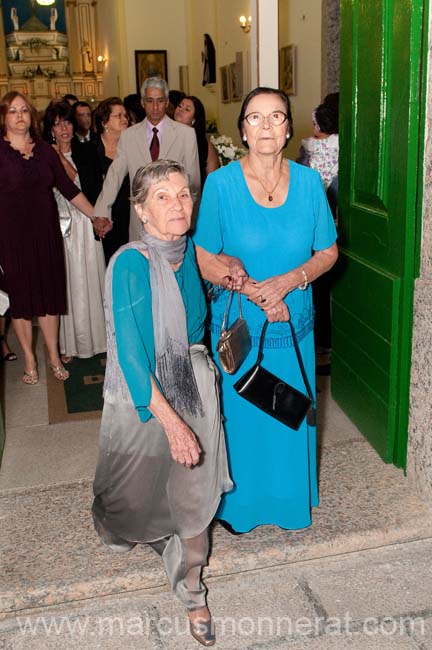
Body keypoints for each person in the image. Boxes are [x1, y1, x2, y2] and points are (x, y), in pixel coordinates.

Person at [92, 160, 232, 647]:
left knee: (193, 501)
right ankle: (131, 525)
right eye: (163, 197)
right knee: (135, 489)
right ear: (141, 211)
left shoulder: (190, 251)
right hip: (145, 393)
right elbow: (131, 358)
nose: (178, 204)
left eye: (183, 194)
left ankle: (193, 593)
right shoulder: (129, 263)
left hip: (193, 384)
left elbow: (205, 305)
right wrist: (172, 425)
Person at [193, 87, 338, 534]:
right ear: (242, 131)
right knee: (245, 421)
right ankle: (241, 508)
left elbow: (328, 251)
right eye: (255, 119)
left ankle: (288, 502)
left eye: (276, 117)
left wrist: (289, 282)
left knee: (288, 414)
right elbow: (203, 257)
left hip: (291, 326)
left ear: (290, 127)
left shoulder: (310, 183)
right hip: (241, 328)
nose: (266, 127)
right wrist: (258, 291)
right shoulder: (221, 185)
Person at [0, 91, 95, 384]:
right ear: (3, 117)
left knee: (49, 298)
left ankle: (53, 355)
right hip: (11, 239)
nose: (19, 116)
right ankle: (30, 358)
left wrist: (96, 215)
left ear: (32, 116)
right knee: (21, 301)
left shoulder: (44, 151)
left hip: (46, 235)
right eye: (13, 111)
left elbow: (68, 188)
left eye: (24, 110)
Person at [93, 77, 200, 241]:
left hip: (174, 220)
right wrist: (102, 210)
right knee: (141, 265)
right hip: (140, 220)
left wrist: (190, 221)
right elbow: (115, 174)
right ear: (143, 103)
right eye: (150, 101)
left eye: (160, 101)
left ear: (167, 102)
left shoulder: (185, 134)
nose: (155, 107)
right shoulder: (129, 136)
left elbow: (193, 180)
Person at [43, 102, 106, 362]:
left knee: (90, 280)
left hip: (85, 221)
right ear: (50, 129)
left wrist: (57, 156)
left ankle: (99, 341)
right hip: (57, 224)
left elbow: (73, 179)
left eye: (67, 122)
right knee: (67, 284)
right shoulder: (41, 155)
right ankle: (69, 345)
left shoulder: (86, 151)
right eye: (57, 124)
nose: (64, 128)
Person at [94, 97, 130, 262]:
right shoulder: (91, 149)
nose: (125, 119)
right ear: (104, 122)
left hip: (128, 213)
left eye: (125, 115)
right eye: (118, 116)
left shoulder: (131, 145)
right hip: (101, 215)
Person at [174, 95, 219, 190]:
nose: (181, 110)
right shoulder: (165, 135)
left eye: (187, 109)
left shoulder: (203, 143)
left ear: (194, 119)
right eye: (180, 106)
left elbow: (213, 179)